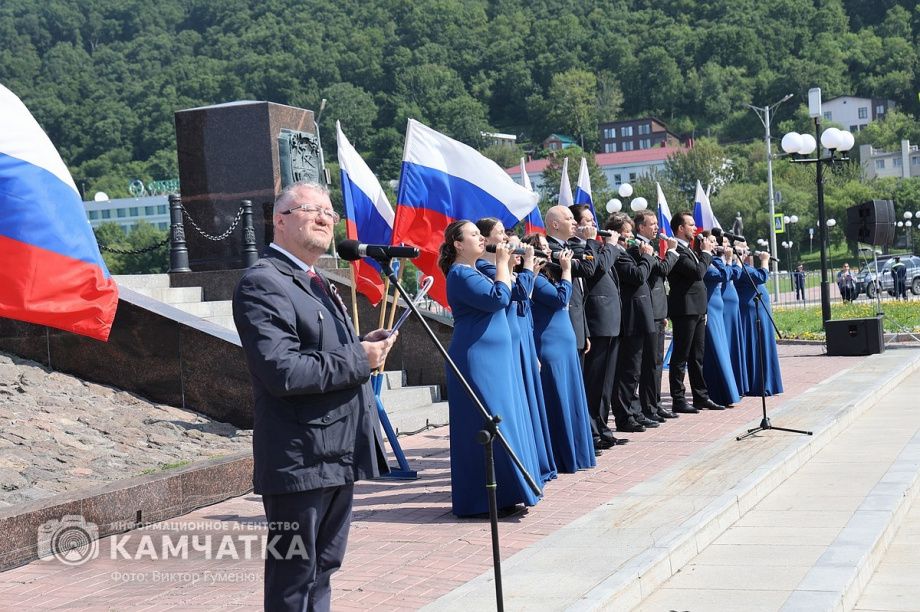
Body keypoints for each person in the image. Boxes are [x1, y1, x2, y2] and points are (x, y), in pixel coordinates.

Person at [232, 181, 395, 612]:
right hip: (299, 458)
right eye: (311, 209)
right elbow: (283, 371)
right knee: (293, 578)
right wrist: (359, 358)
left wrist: (362, 346)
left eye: (329, 212)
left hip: (337, 451)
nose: (325, 218)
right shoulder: (263, 283)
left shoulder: (316, 280)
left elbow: (321, 353)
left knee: (324, 569)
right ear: (280, 220)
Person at [439, 220, 542, 517]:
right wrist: (501, 264)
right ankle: (480, 501)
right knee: (485, 423)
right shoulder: (460, 274)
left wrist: (506, 265)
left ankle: (507, 493)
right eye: (474, 234)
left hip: (494, 358)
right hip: (477, 358)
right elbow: (499, 298)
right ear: (458, 244)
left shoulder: (471, 271)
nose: (481, 238)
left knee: (500, 422)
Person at [476, 217, 555, 483]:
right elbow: (517, 293)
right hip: (506, 339)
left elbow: (523, 301)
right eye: (500, 233)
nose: (507, 239)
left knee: (528, 402)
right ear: (486, 239)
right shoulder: (484, 268)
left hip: (520, 335)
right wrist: (526, 267)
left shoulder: (501, 268)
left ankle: (534, 460)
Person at [544, 205, 622, 450]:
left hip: (578, 325)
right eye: (569, 219)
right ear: (555, 224)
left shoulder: (567, 247)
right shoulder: (553, 250)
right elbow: (589, 269)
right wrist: (591, 242)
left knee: (584, 386)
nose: (574, 224)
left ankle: (590, 435)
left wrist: (585, 330)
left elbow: (580, 296)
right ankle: (583, 438)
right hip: (561, 328)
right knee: (577, 387)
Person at [524, 233, 597, 469]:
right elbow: (561, 298)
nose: (549, 251)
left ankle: (577, 451)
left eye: (548, 247)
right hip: (550, 344)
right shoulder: (535, 279)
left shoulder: (549, 274)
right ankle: (561, 455)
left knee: (571, 396)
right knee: (557, 398)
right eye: (544, 247)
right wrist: (567, 270)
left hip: (565, 342)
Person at [666, 211, 725, 413]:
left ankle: (701, 396)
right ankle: (678, 399)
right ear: (680, 228)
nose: (695, 228)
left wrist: (703, 309)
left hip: (697, 309)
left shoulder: (689, 250)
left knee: (697, 356)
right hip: (684, 309)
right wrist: (706, 253)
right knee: (680, 356)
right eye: (691, 225)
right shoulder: (676, 250)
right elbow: (698, 272)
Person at [608, 213, 660, 429]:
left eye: (630, 232)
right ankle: (624, 415)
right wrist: (647, 257)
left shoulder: (627, 253)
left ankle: (634, 410)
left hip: (639, 316)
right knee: (628, 369)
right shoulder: (618, 255)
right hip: (630, 317)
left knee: (635, 369)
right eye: (627, 233)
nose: (630, 237)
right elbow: (638, 276)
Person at [633, 209, 679, 421]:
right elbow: (662, 270)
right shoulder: (639, 247)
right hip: (648, 311)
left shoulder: (649, 246)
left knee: (657, 361)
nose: (656, 228)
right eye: (652, 224)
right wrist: (672, 252)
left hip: (658, 310)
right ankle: (648, 407)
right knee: (650, 362)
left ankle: (656, 403)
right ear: (641, 227)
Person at [699, 232, 740, 408]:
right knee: (715, 351)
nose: (716, 244)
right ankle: (717, 392)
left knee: (721, 349)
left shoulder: (715, 260)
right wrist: (729, 260)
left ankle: (727, 392)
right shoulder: (705, 261)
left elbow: (729, 274)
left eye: (716, 242)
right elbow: (723, 275)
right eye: (712, 241)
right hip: (709, 307)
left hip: (718, 308)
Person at [736, 250, 784, 397]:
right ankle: (758, 384)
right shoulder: (740, 268)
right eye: (743, 250)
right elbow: (761, 277)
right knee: (756, 346)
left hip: (759, 312)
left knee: (764, 346)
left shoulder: (745, 267)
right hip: (751, 314)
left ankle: (768, 382)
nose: (747, 253)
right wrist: (764, 261)